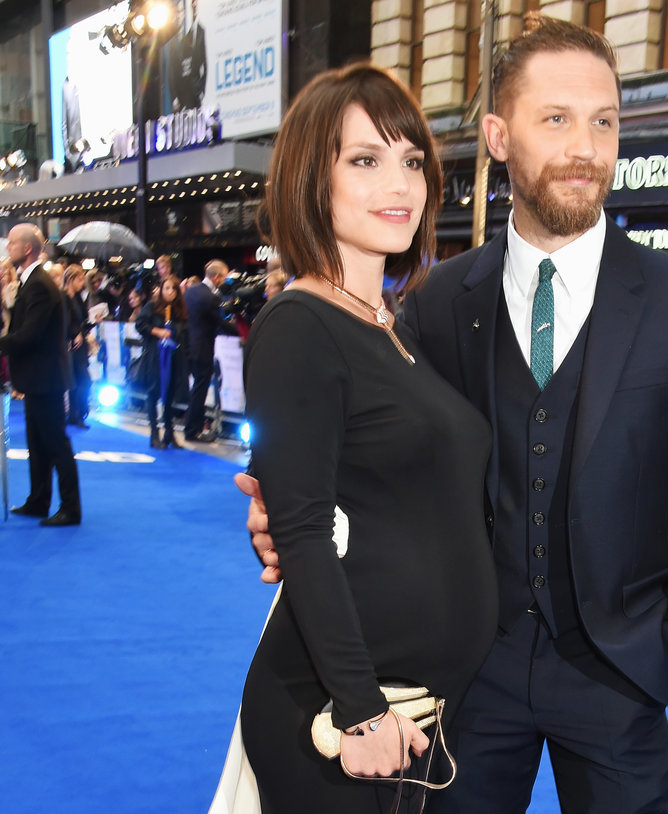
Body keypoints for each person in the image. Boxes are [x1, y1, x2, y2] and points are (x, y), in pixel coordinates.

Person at [245, 16, 668, 814]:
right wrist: (293, 519)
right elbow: (368, 459)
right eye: (555, 119)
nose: (585, 146)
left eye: (604, 121)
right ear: (497, 135)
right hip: (468, 684)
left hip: (620, 679)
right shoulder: (440, 303)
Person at [227, 63, 498, 813]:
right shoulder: (300, 325)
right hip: (341, 720)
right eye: (366, 160)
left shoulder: (391, 329)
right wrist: (359, 708)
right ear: (313, 177)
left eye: (412, 160)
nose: (400, 184)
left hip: (415, 713)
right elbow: (306, 530)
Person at [0, 223, 82, 526]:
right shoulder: (31, 281)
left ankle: (70, 508)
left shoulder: (38, 284)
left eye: (12, 243)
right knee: (37, 443)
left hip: (46, 378)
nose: (8, 249)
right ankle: (38, 500)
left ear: (28, 248)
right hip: (38, 378)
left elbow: (29, 334)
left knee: (55, 443)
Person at [137, 274, 189, 449]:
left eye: (174, 289)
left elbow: (185, 332)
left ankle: (169, 432)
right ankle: (154, 434)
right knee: (154, 393)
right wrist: (156, 331)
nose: (170, 292)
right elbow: (140, 324)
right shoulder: (152, 306)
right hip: (156, 358)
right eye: (167, 288)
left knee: (170, 396)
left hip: (174, 358)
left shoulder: (180, 310)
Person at [183, 259, 226, 442]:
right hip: (203, 348)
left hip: (191, 346)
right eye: (223, 277)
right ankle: (193, 431)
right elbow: (220, 323)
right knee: (199, 391)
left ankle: (192, 428)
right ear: (216, 277)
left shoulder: (191, 291)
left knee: (197, 390)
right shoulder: (210, 297)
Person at [62, 264, 92, 428]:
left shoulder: (79, 298)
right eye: (80, 280)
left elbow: (83, 320)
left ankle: (76, 414)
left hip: (80, 346)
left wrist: (91, 323)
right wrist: (75, 333)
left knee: (81, 381)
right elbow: (66, 322)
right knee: (80, 380)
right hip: (70, 346)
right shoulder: (63, 297)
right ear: (71, 279)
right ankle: (76, 414)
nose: (82, 284)